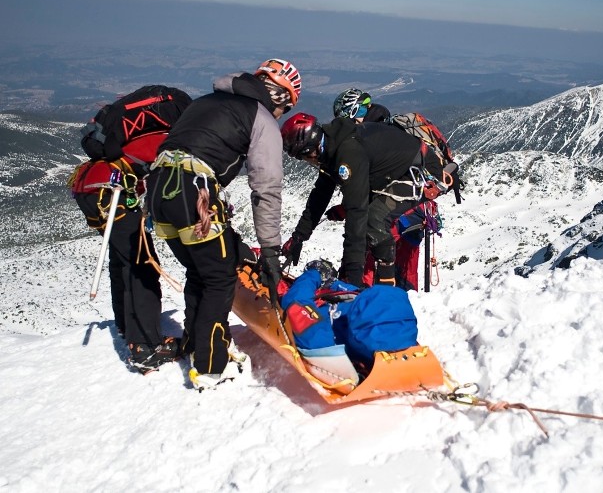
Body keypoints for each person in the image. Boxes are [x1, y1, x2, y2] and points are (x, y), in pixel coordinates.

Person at [147, 58, 301, 389]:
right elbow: (266, 188)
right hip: (194, 192)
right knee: (219, 279)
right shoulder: (260, 118)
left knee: (202, 270)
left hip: (159, 189)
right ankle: (212, 365)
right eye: (285, 108)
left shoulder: (205, 102)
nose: (281, 115)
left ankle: (194, 342)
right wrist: (270, 250)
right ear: (281, 98)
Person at [70, 85, 192, 373]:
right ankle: (145, 348)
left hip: (92, 189)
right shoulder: (171, 135)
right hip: (111, 193)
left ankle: (128, 327)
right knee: (142, 264)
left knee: (122, 260)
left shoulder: (143, 129)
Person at [279, 112, 444, 288]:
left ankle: (385, 288)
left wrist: (352, 280)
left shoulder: (347, 153)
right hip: (391, 173)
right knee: (366, 220)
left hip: (421, 173)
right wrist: (298, 237)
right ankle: (364, 281)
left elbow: (356, 214)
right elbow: (320, 195)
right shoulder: (330, 148)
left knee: (374, 221)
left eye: (303, 157)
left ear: (311, 149)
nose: (306, 161)